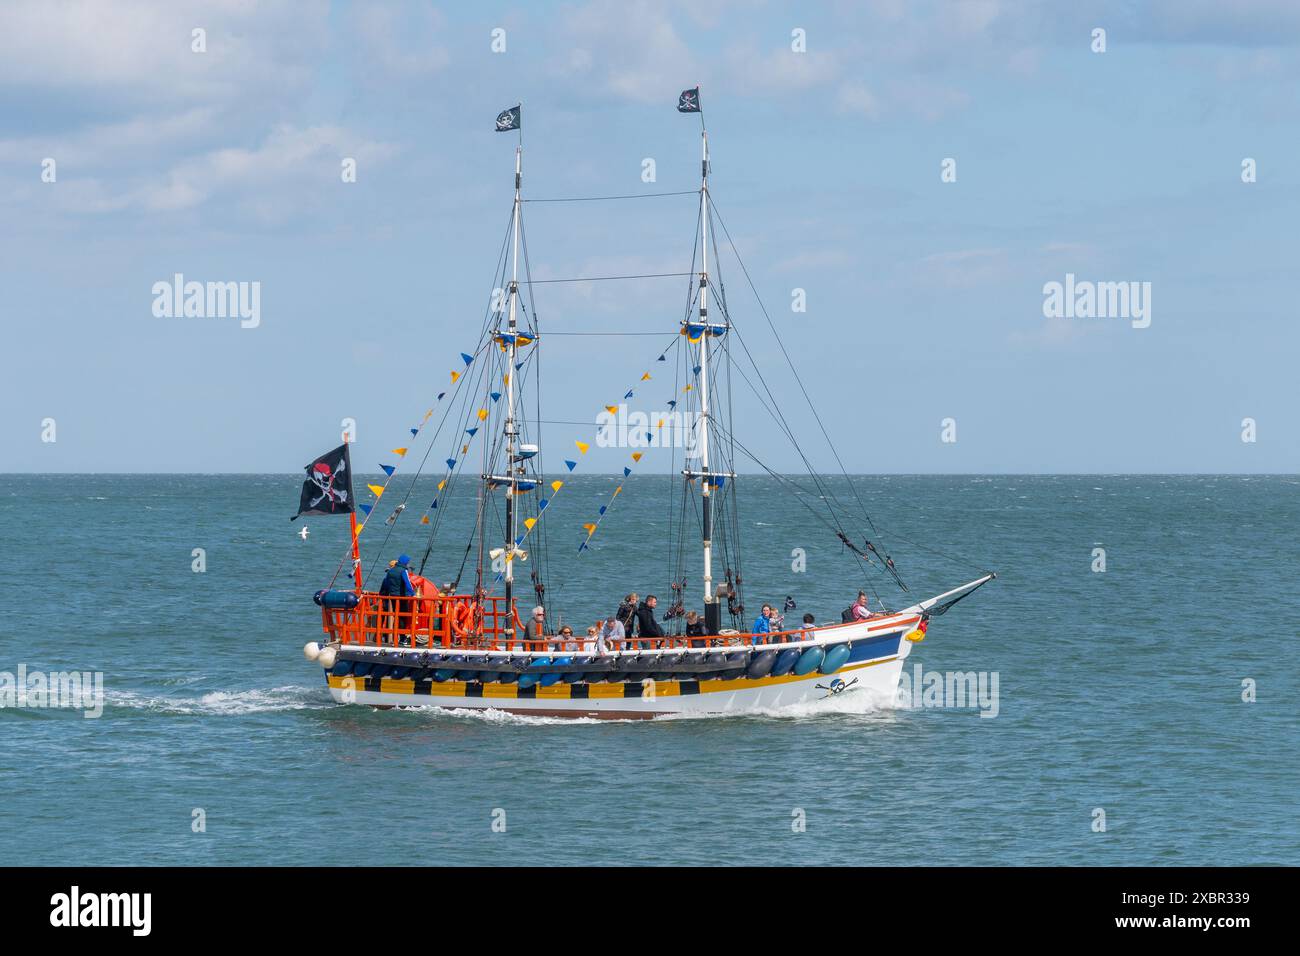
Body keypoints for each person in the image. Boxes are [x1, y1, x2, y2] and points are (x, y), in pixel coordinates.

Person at [379, 554, 416, 643]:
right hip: (402, 597)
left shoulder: (390, 571)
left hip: (392, 597)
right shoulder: (403, 571)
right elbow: (407, 583)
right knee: (402, 617)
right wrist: (412, 593)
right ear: (405, 562)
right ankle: (402, 638)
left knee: (395, 616)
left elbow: (386, 584)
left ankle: (393, 636)